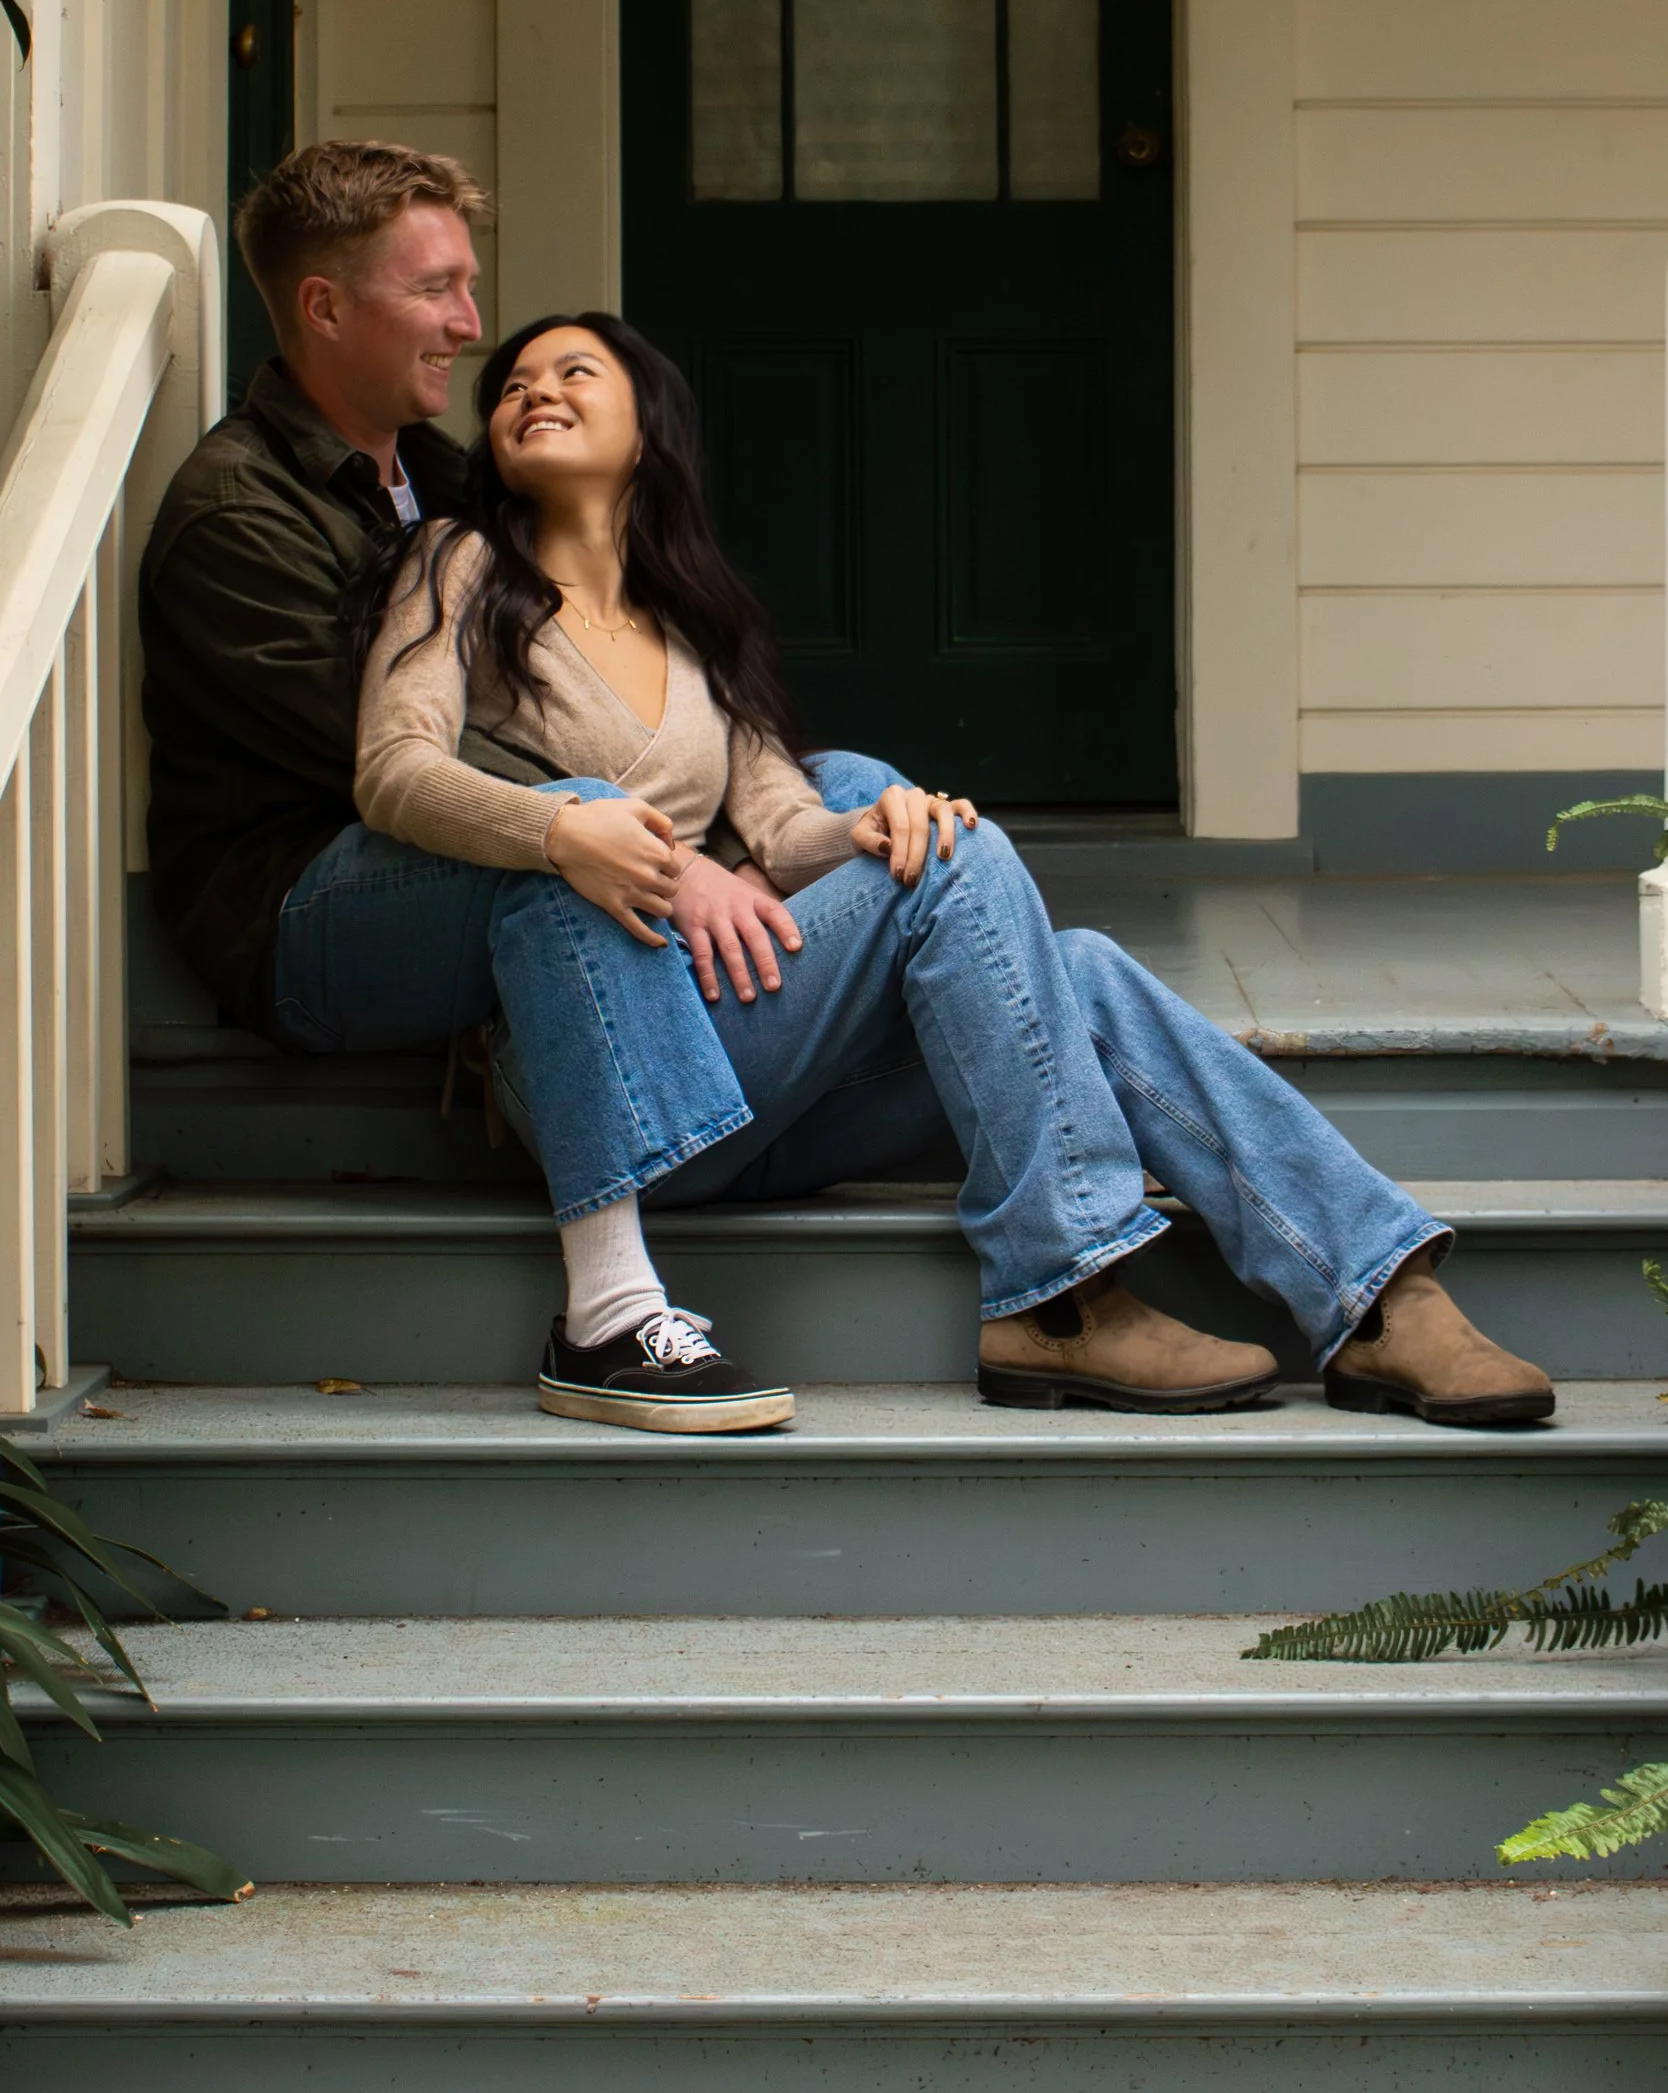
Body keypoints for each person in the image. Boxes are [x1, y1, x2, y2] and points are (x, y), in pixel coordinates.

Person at [351, 308, 1558, 1442]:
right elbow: (392, 771)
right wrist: (574, 831)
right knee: (965, 873)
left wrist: (880, 823)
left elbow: (779, 826)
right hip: (604, 1061)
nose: (532, 391)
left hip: (764, 1064)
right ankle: (1063, 1288)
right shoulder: (458, 566)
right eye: (512, 384)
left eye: (574, 373)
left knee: (1061, 957)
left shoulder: (693, 621)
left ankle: (1378, 1294)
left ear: (649, 428)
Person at [139, 142, 813, 1153]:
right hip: (310, 908)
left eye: (469, 286)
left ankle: (791, 1025)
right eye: (436, 289)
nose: (471, 325)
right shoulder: (236, 517)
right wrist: (687, 859)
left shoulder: (435, 471)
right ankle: (675, 1169)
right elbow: (418, 760)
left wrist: (733, 838)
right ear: (324, 308)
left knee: (851, 787)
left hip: (493, 857)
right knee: (572, 835)